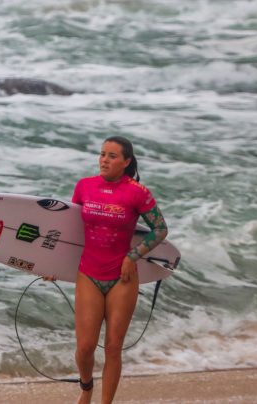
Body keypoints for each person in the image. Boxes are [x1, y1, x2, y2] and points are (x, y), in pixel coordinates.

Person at [68, 136, 168, 404]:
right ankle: (86, 387)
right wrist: (50, 264)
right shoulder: (85, 186)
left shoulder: (137, 192)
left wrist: (132, 256)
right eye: (102, 154)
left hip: (123, 277)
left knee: (113, 347)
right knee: (85, 346)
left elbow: (160, 229)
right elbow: (68, 231)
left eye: (112, 156)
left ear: (126, 162)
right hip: (89, 272)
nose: (104, 160)